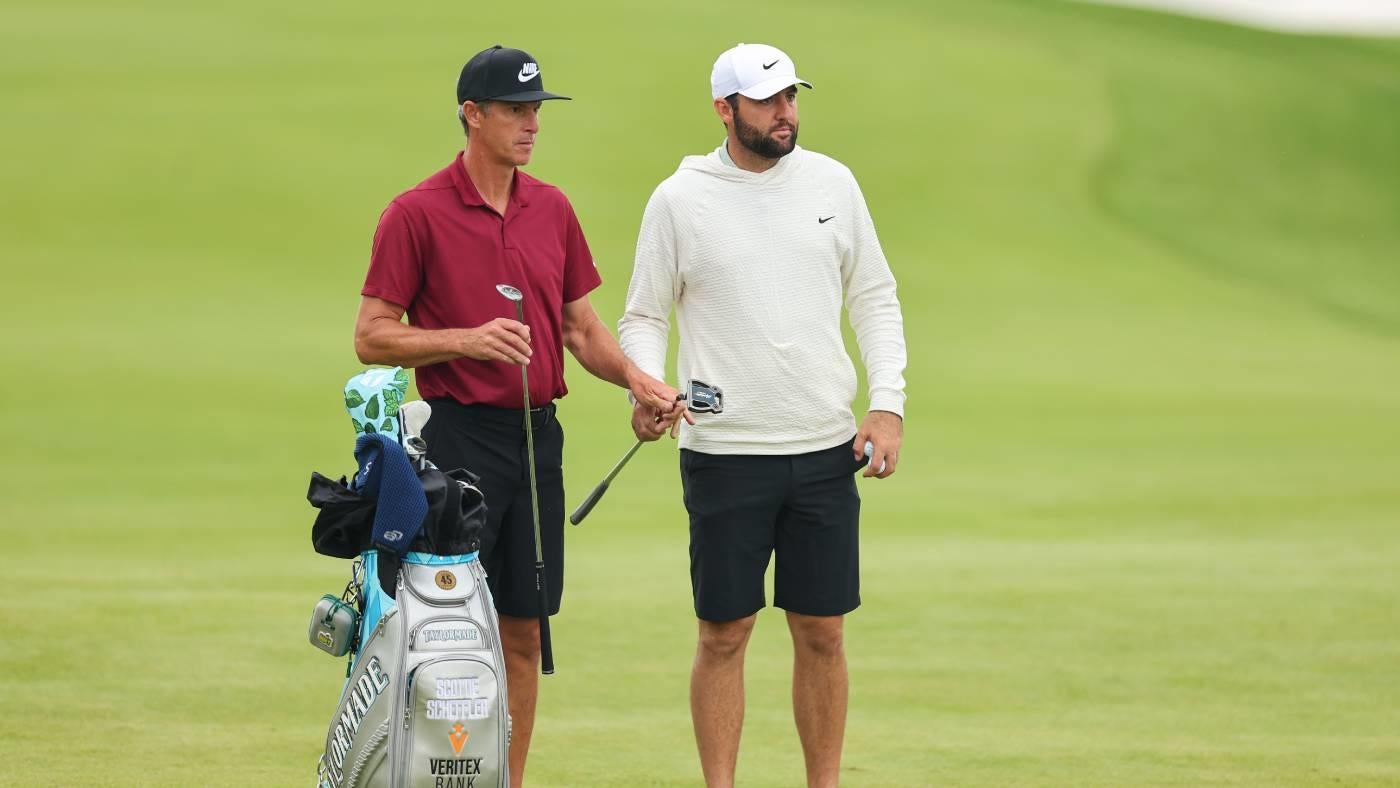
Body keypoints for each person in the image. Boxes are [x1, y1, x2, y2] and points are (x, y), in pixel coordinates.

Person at [353, 44, 680, 787]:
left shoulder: (552, 209)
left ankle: (508, 780)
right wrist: (465, 339)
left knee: (524, 629)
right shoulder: (415, 214)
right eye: (515, 110)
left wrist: (639, 382)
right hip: (455, 438)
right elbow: (372, 333)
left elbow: (581, 329)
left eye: (537, 110)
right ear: (473, 115)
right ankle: (430, 771)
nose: (531, 124)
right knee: (441, 632)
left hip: (536, 442)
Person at [618, 43, 908, 788]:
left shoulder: (833, 185)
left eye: (791, 97)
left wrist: (887, 403)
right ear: (725, 110)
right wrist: (645, 387)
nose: (787, 113)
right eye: (769, 101)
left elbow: (873, 296)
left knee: (824, 632)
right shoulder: (679, 200)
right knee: (724, 634)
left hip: (822, 447)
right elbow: (644, 314)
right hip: (723, 451)